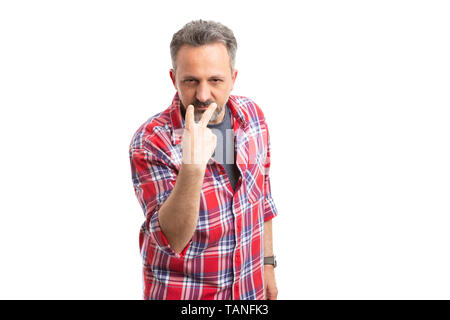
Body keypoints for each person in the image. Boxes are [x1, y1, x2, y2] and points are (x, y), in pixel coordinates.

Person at [129, 19, 279, 300]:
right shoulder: (151, 142)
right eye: (191, 81)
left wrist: (267, 265)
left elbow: (263, 198)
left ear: (233, 78)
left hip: (249, 292)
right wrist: (192, 166)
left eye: (215, 81)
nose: (202, 95)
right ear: (173, 79)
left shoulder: (253, 117)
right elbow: (171, 239)